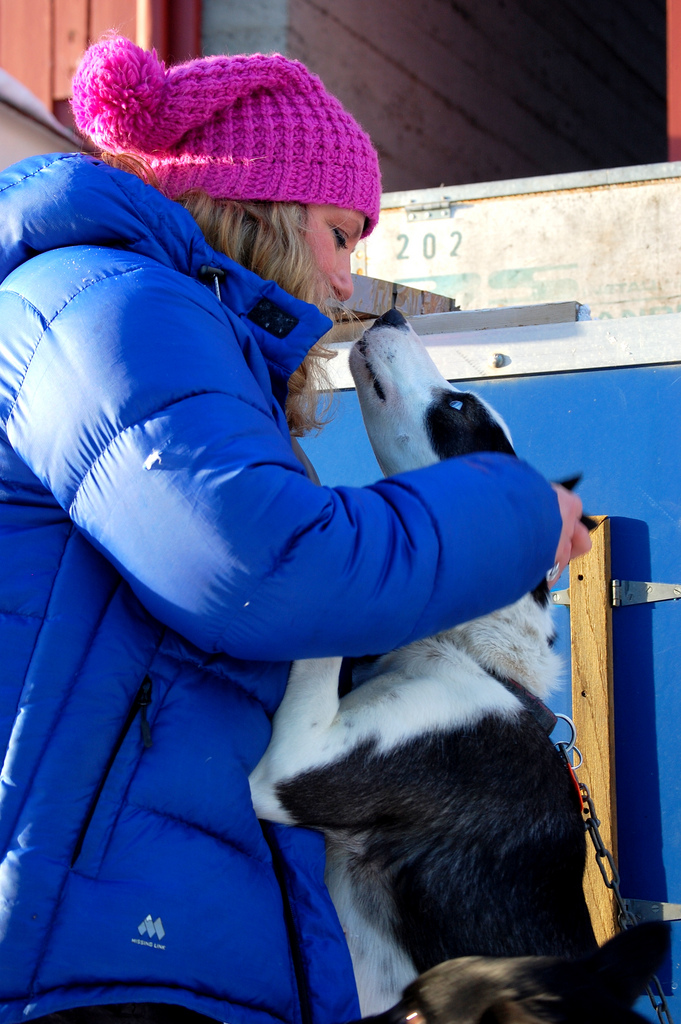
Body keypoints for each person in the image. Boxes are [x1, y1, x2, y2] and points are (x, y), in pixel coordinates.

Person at [0, 36, 589, 1024]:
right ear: (261, 204)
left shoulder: (163, 329)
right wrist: (525, 508)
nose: (348, 283)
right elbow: (268, 572)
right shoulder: (116, 310)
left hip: (139, 936)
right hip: (84, 948)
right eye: (339, 234)